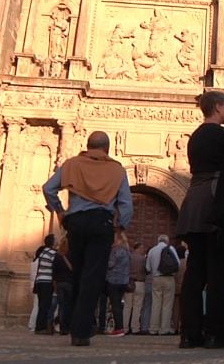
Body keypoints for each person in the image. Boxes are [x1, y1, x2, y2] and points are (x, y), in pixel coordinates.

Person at [42, 131, 133, 347]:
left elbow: (48, 188)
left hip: (76, 223)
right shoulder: (116, 170)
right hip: (101, 223)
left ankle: (73, 324)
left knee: (78, 274)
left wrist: (60, 212)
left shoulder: (72, 164)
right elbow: (126, 204)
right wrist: (121, 227)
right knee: (93, 276)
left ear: (87, 145)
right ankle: (81, 331)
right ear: (107, 148)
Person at [176, 90, 224, 349]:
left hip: (194, 201)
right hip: (215, 201)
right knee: (217, 272)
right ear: (216, 107)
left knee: (195, 272)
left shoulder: (195, 137)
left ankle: (190, 333)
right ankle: (217, 332)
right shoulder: (223, 136)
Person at [145, 234, 180, 336]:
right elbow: (177, 263)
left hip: (156, 278)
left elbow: (148, 268)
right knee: (167, 305)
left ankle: (153, 328)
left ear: (158, 240)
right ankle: (164, 328)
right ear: (167, 241)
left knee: (156, 304)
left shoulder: (152, 250)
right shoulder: (170, 248)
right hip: (169, 278)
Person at [106, 232, 131, 337]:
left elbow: (110, 264)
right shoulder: (127, 252)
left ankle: (119, 328)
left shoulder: (115, 251)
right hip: (124, 281)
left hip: (114, 280)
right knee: (119, 305)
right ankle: (120, 327)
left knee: (115, 304)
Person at [33, 234, 56, 335]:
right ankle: (42, 327)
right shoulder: (52, 253)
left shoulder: (42, 252)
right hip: (47, 281)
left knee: (42, 304)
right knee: (45, 305)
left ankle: (39, 326)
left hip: (40, 281)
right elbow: (56, 265)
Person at [123, 242, 147, 335]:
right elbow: (147, 269)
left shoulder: (128, 257)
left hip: (129, 282)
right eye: (142, 248)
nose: (143, 250)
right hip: (140, 283)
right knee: (137, 307)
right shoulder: (143, 259)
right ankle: (135, 328)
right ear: (138, 248)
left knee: (127, 306)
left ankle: (125, 328)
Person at [52, 236, 74, 336]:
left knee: (61, 306)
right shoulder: (71, 254)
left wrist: (55, 284)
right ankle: (67, 327)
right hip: (69, 283)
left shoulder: (57, 256)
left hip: (59, 284)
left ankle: (61, 327)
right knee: (69, 306)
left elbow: (54, 272)